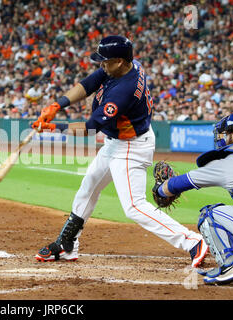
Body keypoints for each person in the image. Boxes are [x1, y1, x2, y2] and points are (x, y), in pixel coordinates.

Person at [32, 35, 208, 268]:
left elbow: (90, 129)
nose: (101, 65)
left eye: (106, 61)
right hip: (117, 141)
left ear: (120, 61)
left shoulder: (123, 90)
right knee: (89, 186)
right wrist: (57, 105)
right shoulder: (122, 67)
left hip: (130, 148)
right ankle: (67, 244)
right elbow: (88, 83)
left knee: (134, 206)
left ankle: (192, 241)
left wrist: (53, 128)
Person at [155, 111, 233, 285]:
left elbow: (176, 185)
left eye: (227, 134)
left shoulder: (227, 163)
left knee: (209, 215)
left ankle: (232, 265)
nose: (223, 138)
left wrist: (160, 189)